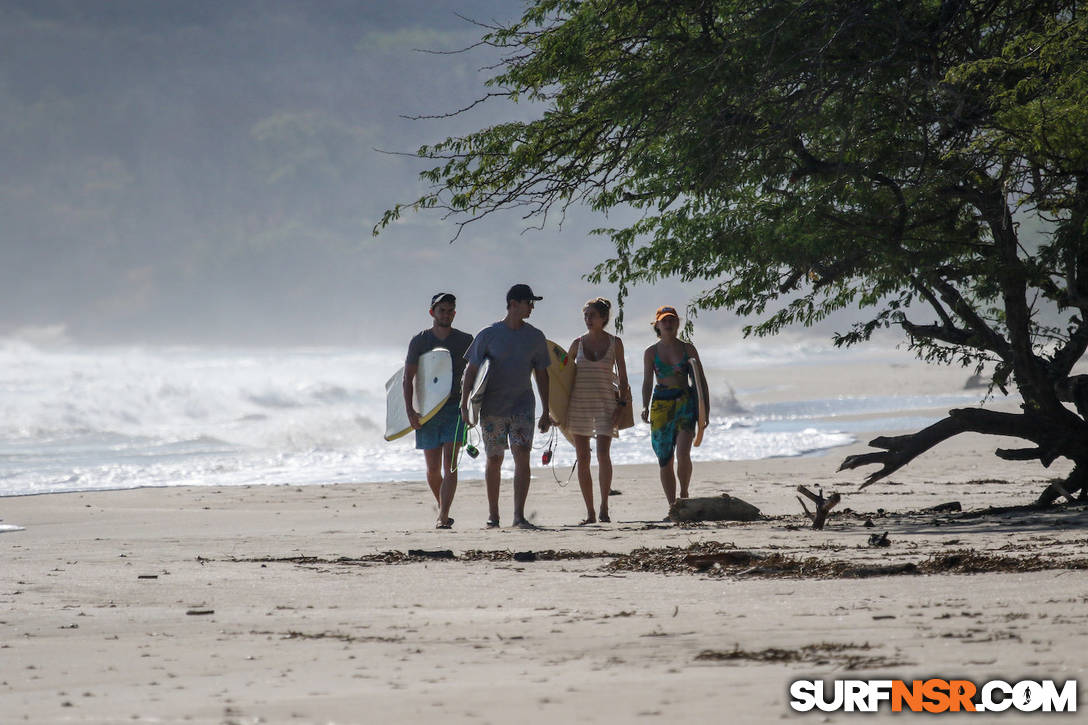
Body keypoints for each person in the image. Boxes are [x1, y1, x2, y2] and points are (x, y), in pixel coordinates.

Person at [460, 284, 551, 529]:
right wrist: (464, 402)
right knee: (495, 458)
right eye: (528, 303)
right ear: (513, 304)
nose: (532, 307)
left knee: (522, 455)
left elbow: (542, 375)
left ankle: (519, 516)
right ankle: (493, 515)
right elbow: (472, 371)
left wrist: (546, 410)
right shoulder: (488, 334)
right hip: (492, 407)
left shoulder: (535, 336)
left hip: (522, 405)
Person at [404, 292, 473, 529]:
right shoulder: (420, 341)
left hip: (455, 406)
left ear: (454, 313)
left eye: (450, 311)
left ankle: (442, 516)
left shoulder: (465, 340)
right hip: (427, 410)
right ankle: (444, 508)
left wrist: (471, 407)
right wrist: (410, 412)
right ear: (432, 312)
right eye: (441, 310)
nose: (446, 314)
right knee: (433, 469)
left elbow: (475, 376)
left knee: (450, 463)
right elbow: (407, 378)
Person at [564, 297, 629, 524]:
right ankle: (590, 512)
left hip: (606, 405)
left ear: (603, 318)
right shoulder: (577, 343)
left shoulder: (615, 343)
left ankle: (604, 508)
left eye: (592, 315)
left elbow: (623, 380)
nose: (588, 319)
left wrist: (621, 406)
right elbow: (561, 377)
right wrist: (556, 409)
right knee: (583, 457)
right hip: (579, 404)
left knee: (603, 455)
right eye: (585, 315)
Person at [640, 306, 710, 510]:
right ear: (657, 325)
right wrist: (645, 406)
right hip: (661, 405)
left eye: (672, 320)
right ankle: (673, 505)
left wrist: (705, 409)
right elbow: (647, 382)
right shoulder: (651, 353)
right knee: (665, 458)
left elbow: (700, 381)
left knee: (682, 454)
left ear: (678, 323)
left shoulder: (688, 349)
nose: (668, 324)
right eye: (664, 321)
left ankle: (684, 493)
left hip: (685, 402)